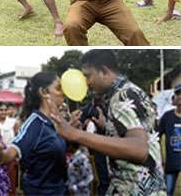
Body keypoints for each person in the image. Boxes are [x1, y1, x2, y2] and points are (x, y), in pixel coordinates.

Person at [45, 50, 166, 195]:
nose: (86, 83)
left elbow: (139, 149)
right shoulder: (130, 92)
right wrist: (108, 128)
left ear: (104, 71)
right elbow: (142, 133)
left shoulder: (123, 96)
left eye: (88, 76)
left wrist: (74, 133)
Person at [0, 72, 70, 195]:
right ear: (43, 92)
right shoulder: (34, 123)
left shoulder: (55, 121)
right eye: (58, 88)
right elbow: (11, 152)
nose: (63, 92)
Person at [157, 85, 181, 196]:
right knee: (168, 191)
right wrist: (159, 158)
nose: (180, 96)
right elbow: (156, 137)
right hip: (171, 164)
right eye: (178, 93)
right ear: (174, 97)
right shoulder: (167, 117)